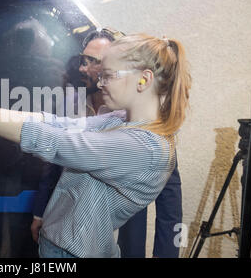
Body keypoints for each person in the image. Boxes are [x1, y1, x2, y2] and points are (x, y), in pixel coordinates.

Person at [0, 33, 191, 258]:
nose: (100, 83)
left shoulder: (143, 146)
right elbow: (55, 124)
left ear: (143, 80)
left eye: (108, 76)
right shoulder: (123, 120)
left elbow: (54, 142)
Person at [31, 29, 184, 258]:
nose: (84, 68)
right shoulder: (73, 100)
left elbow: (169, 203)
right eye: (83, 60)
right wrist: (41, 211)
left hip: (119, 239)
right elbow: (57, 155)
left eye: (95, 62)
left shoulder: (146, 131)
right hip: (67, 237)